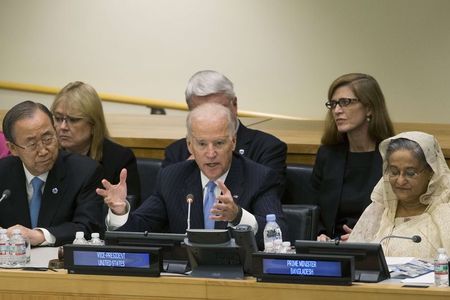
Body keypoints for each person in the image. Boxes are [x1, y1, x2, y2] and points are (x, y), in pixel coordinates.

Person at [97, 103, 287, 248]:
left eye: (219, 143)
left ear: (233, 142)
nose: (210, 153)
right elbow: (139, 230)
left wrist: (238, 216)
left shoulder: (259, 177)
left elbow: (281, 233)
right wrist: (119, 211)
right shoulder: (171, 178)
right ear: (189, 145)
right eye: (202, 144)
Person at [162, 70, 287, 195]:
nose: (211, 116)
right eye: (202, 110)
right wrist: (186, 169)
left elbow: (270, 200)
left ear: (235, 104)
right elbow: (165, 203)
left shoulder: (267, 148)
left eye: (219, 109)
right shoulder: (176, 153)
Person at [0, 101, 104, 246]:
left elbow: (87, 227)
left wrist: (41, 235)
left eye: (48, 139)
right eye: (32, 144)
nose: (43, 151)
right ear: (13, 148)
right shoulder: (2, 173)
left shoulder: (85, 172)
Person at [312, 73, 395, 241]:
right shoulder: (328, 155)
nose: (337, 110)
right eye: (333, 104)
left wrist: (367, 237)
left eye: (345, 102)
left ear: (370, 108)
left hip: (376, 247)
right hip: (330, 246)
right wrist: (319, 234)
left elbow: (406, 217)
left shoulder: (393, 156)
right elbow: (312, 207)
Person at [349, 132, 450, 260]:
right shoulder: (378, 211)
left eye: (410, 173)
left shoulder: (445, 215)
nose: (400, 181)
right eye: (394, 172)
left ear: (431, 172)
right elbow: (351, 262)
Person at [51, 81, 141, 210]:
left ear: (94, 124)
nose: (63, 127)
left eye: (73, 119)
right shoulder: (48, 156)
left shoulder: (119, 159)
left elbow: (131, 215)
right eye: (58, 118)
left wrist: (118, 208)